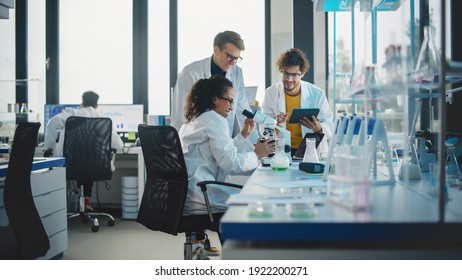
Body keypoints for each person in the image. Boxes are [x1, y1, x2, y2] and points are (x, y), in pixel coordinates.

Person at [179, 76, 274, 259]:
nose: (231, 106)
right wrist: (257, 154)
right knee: (250, 202)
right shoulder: (214, 119)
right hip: (202, 195)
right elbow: (231, 164)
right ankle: (237, 259)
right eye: (229, 101)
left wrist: (244, 135)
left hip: (189, 194)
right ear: (215, 99)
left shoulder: (196, 119)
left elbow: (221, 151)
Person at [172, 30, 258, 143]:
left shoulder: (237, 73)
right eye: (230, 56)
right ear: (216, 49)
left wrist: (254, 141)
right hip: (196, 143)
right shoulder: (190, 73)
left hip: (223, 140)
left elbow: (242, 109)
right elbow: (180, 116)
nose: (233, 63)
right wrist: (179, 150)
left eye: (237, 58)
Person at [44, 91, 124, 211]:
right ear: (97, 106)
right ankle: (86, 200)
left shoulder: (71, 114)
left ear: (82, 103)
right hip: (98, 166)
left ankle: (71, 205)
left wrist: (49, 148)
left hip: (71, 165)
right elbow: (119, 145)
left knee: (80, 162)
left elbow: (52, 123)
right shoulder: (102, 119)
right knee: (89, 162)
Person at [262, 48, 334, 157]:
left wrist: (319, 128)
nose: (289, 79)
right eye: (286, 73)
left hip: (311, 151)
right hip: (282, 151)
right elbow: (264, 129)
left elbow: (329, 125)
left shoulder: (317, 94)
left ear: (302, 73)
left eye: (295, 74)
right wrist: (276, 124)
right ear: (282, 71)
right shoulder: (271, 93)